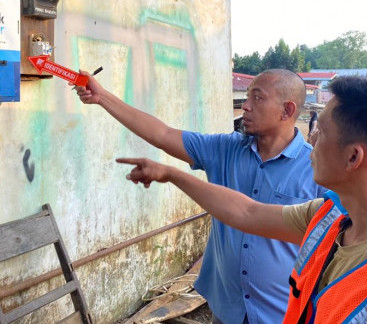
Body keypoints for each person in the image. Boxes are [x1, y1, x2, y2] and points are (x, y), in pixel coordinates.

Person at [118, 76, 367, 323]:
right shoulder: (330, 217)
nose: (310, 141)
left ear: (353, 157)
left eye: (321, 133)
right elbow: (247, 211)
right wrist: (172, 174)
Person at [76, 69, 326, 324]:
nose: (246, 106)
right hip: (226, 308)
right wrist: (102, 97)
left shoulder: (317, 170)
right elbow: (162, 134)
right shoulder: (225, 149)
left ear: (287, 110)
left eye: (257, 98)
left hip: (282, 314)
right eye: (247, 97)